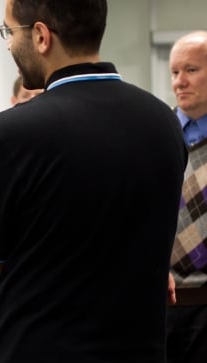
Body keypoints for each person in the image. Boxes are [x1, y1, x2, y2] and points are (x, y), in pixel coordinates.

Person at [0, 0, 187, 362]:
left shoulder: (12, 134)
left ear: (40, 36)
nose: (7, 44)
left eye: (9, 31)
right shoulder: (165, 124)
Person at [167, 30, 207, 363]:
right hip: (159, 303)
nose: (180, 81)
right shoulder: (155, 134)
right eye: (175, 72)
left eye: (191, 70)